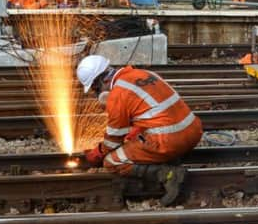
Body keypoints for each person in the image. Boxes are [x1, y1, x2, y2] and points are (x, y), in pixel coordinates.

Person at [76, 55, 204, 205]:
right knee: (136, 141)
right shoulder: (145, 74)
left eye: (95, 88)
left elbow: (113, 141)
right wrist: (134, 134)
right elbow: (153, 112)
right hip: (194, 132)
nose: (96, 93)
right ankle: (170, 159)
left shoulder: (117, 94)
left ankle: (168, 174)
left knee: (112, 161)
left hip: (169, 141)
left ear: (103, 80)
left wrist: (97, 153)